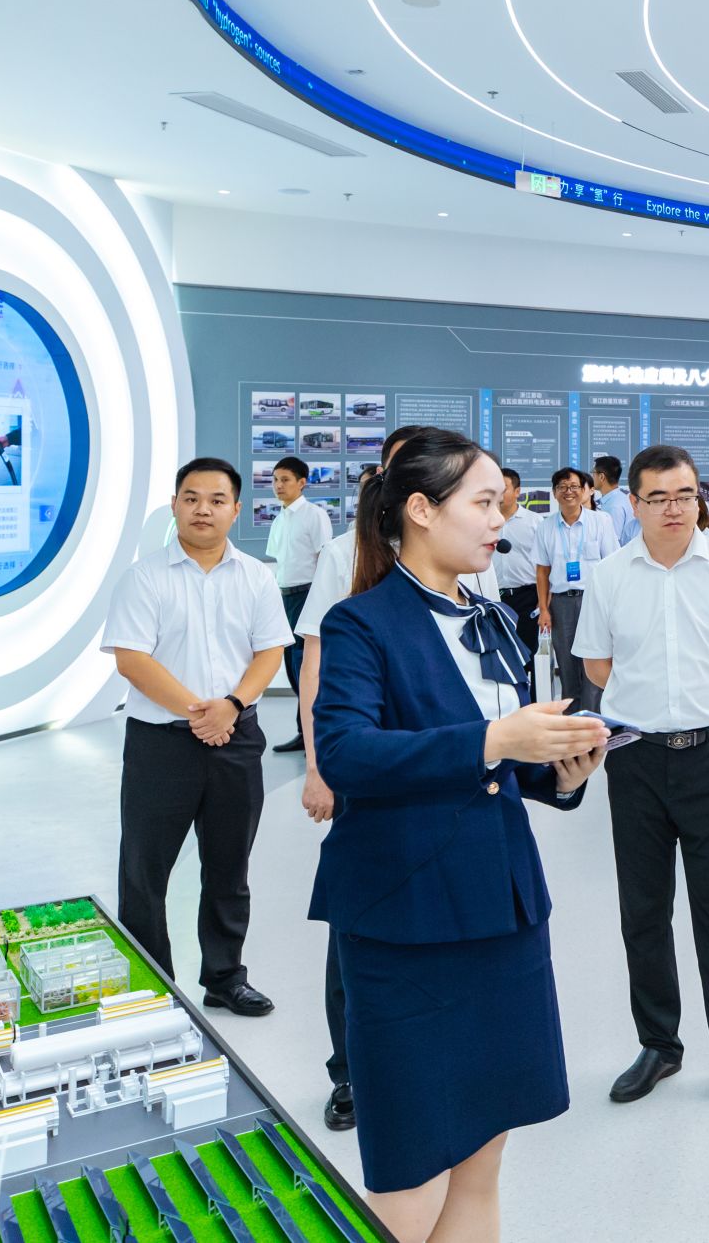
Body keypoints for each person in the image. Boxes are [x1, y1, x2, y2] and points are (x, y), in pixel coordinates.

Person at [311, 428, 607, 1241]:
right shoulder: (360, 624)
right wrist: (494, 739)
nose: (499, 520)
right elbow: (345, 752)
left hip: (502, 913)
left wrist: (563, 769)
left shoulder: (493, 618)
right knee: (410, 1175)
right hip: (406, 921)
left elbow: (508, 762)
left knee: (482, 1157)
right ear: (420, 509)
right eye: (482, 502)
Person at [293, 427, 498, 1130]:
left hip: (458, 791)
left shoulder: (473, 565)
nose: (494, 519)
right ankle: (351, 1071)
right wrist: (318, 764)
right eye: (480, 500)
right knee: (363, 941)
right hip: (378, 778)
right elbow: (317, 662)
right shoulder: (347, 567)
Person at [572, 444, 709, 1113]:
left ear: (700, 500)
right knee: (644, 909)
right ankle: (658, 1043)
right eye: (658, 497)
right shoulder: (609, 575)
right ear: (633, 504)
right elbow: (598, 666)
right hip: (634, 758)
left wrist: (707, 702)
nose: (673, 508)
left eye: (685, 495)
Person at [104, 458, 292, 1018]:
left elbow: (270, 651)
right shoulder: (144, 578)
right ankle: (151, 985)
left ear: (236, 509)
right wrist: (199, 713)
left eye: (216, 500)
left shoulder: (256, 576)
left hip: (236, 737)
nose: (202, 509)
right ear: (174, 506)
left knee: (229, 868)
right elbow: (132, 660)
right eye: (191, 498)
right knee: (144, 871)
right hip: (161, 743)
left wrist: (229, 707)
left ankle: (225, 978)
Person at [536, 466, 620, 714]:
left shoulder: (601, 521)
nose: (568, 491)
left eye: (574, 486)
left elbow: (612, 565)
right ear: (554, 493)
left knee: (595, 661)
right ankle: (572, 721)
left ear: (585, 490)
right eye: (562, 487)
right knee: (567, 665)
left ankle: (595, 721)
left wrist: (613, 605)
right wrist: (544, 609)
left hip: (595, 601)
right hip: (561, 604)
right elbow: (542, 571)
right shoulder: (546, 526)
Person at [265, 455, 331, 753]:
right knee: (292, 665)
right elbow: (280, 564)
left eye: (285, 480)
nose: (278, 485)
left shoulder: (314, 515)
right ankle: (304, 732)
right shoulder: (279, 519)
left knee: (307, 665)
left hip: (307, 596)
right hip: (285, 597)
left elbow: (324, 559)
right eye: (275, 480)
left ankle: (317, 734)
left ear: (302, 483)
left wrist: (320, 601)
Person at [495, 467, 545, 658]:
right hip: (493, 597)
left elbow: (545, 565)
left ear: (517, 492)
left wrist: (543, 602)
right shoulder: (483, 522)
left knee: (526, 654)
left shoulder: (535, 522)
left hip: (526, 598)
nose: (498, 493)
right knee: (499, 654)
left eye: (503, 488)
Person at [593, 454, 640, 544]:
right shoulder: (622, 497)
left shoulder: (613, 506)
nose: (592, 477)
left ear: (601, 477)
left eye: (593, 473)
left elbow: (612, 542)